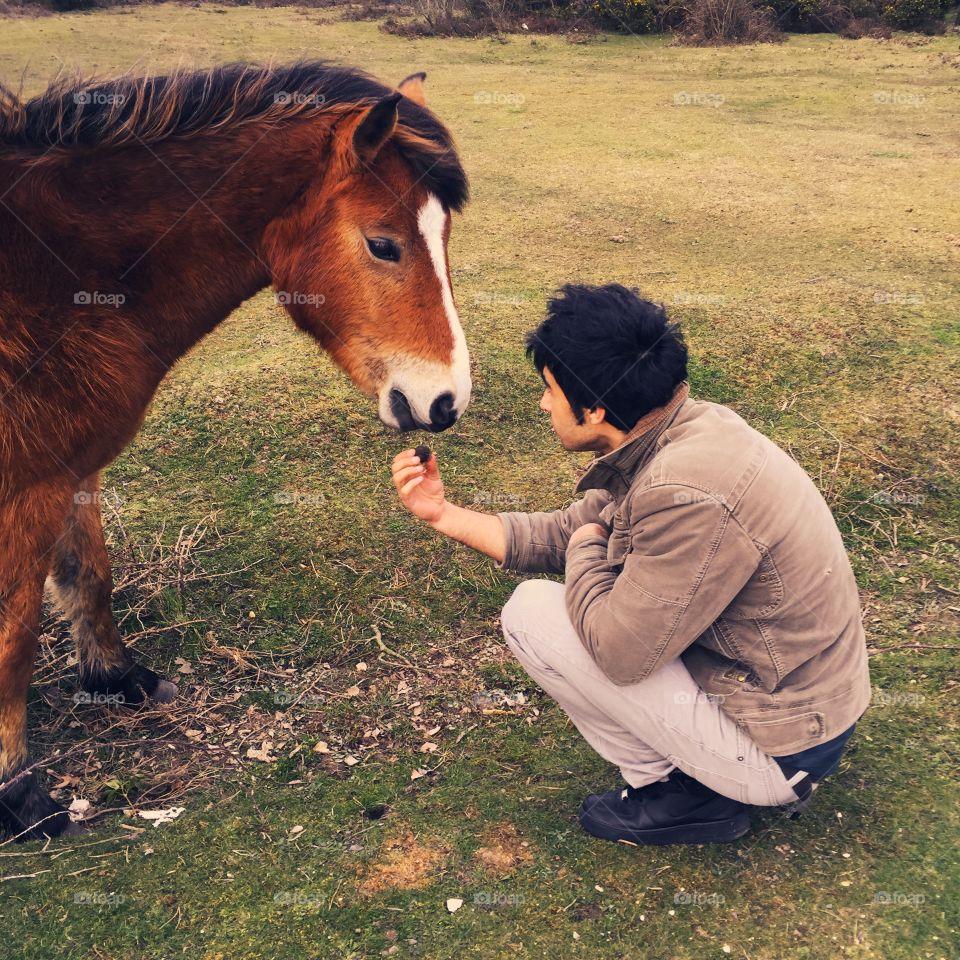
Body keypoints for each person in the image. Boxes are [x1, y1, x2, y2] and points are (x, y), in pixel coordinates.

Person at [390, 283, 871, 846]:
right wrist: (442, 514)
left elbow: (619, 651)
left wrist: (586, 550)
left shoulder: (684, 490)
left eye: (549, 389)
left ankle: (680, 795)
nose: (543, 404)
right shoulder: (682, 429)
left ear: (593, 408)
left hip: (784, 748)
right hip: (791, 705)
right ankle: (692, 781)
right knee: (586, 596)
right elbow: (572, 528)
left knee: (533, 614)